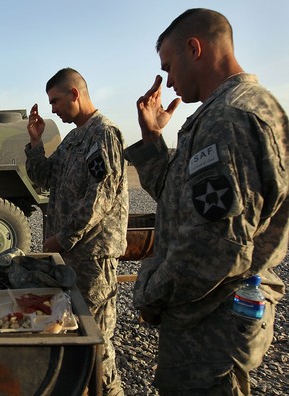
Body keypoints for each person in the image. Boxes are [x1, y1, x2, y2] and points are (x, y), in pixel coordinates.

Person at [125, 8, 288, 395]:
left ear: (194, 48)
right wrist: (152, 140)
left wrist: (152, 293)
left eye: (168, 66)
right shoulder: (237, 109)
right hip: (208, 312)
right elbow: (181, 199)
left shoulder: (229, 119)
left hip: (210, 321)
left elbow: (214, 247)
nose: (167, 79)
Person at [26, 67, 128, 396]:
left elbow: (101, 197)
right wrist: (35, 142)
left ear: (75, 94)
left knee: (96, 338)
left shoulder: (104, 133)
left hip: (92, 257)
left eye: (55, 101)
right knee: (73, 333)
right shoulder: (73, 139)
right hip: (69, 256)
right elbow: (44, 177)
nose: (52, 109)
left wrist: (63, 238)